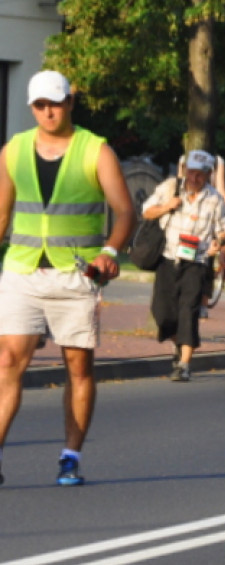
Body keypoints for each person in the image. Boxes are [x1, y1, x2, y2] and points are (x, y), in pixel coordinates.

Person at [0, 70, 136, 485]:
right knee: (6, 362)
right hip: (22, 270)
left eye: (55, 103)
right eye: (40, 105)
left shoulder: (96, 151)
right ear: (31, 108)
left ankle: (70, 455)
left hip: (75, 276)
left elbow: (125, 211)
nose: (48, 112)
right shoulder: (14, 150)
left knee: (77, 367)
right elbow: (2, 213)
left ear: (71, 103)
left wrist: (110, 251)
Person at [142, 149, 225, 381]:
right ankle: (178, 346)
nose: (195, 178)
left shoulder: (214, 198)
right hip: (168, 258)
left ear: (209, 174)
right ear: (184, 170)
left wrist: (218, 243)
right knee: (162, 314)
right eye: (191, 172)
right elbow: (146, 211)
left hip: (197, 262)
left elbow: (224, 230)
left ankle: (184, 364)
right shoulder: (170, 188)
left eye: (201, 174)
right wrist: (167, 207)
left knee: (188, 311)